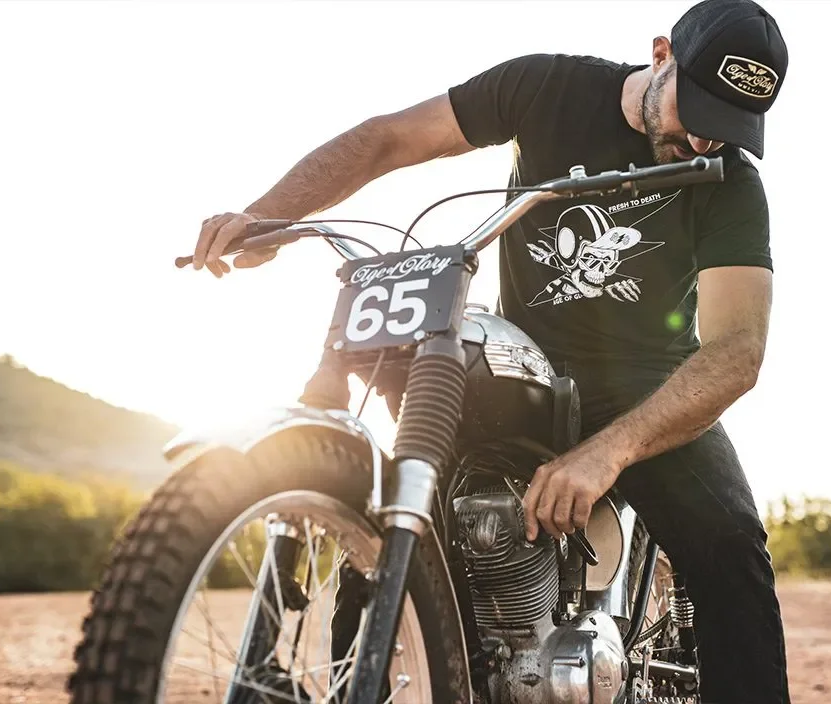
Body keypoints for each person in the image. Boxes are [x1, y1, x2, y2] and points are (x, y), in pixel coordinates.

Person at [192, 0, 791, 700]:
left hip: (648, 388)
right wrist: (270, 215)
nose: (703, 145)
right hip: (522, 364)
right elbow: (390, 138)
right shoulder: (547, 88)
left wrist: (608, 451)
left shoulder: (731, 181)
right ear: (662, 54)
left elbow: (737, 351)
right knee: (394, 522)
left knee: (731, 554)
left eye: (728, 129)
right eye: (699, 114)